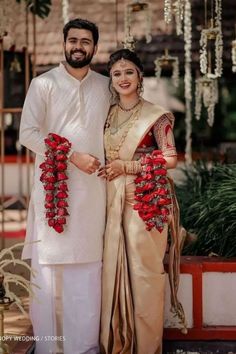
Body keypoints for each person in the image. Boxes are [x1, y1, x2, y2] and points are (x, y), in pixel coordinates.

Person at [19, 18, 110, 354]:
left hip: (93, 194)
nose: (78, 47)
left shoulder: (106, 86)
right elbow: (27, 133)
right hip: (53, 192)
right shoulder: (43, 84)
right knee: (46, 275)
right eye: (73, 40)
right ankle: (46, 349)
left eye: (86, 41)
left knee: (88, 276)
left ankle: (84, 349)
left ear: (95, 48)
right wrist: (72, 155)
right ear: (64, 43)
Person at [99, 49, 186, 354]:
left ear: (140, 77)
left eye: (129, 72)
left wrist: (130, 167)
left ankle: (147, 347)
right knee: (111, 270)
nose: (123, 78)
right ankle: (117, 342)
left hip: (143, 198)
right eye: (117, 73)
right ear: (111, 79)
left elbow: (171, 158)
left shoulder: (155, 116)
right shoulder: (106, 114)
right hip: (108, 199)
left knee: (144, 273)